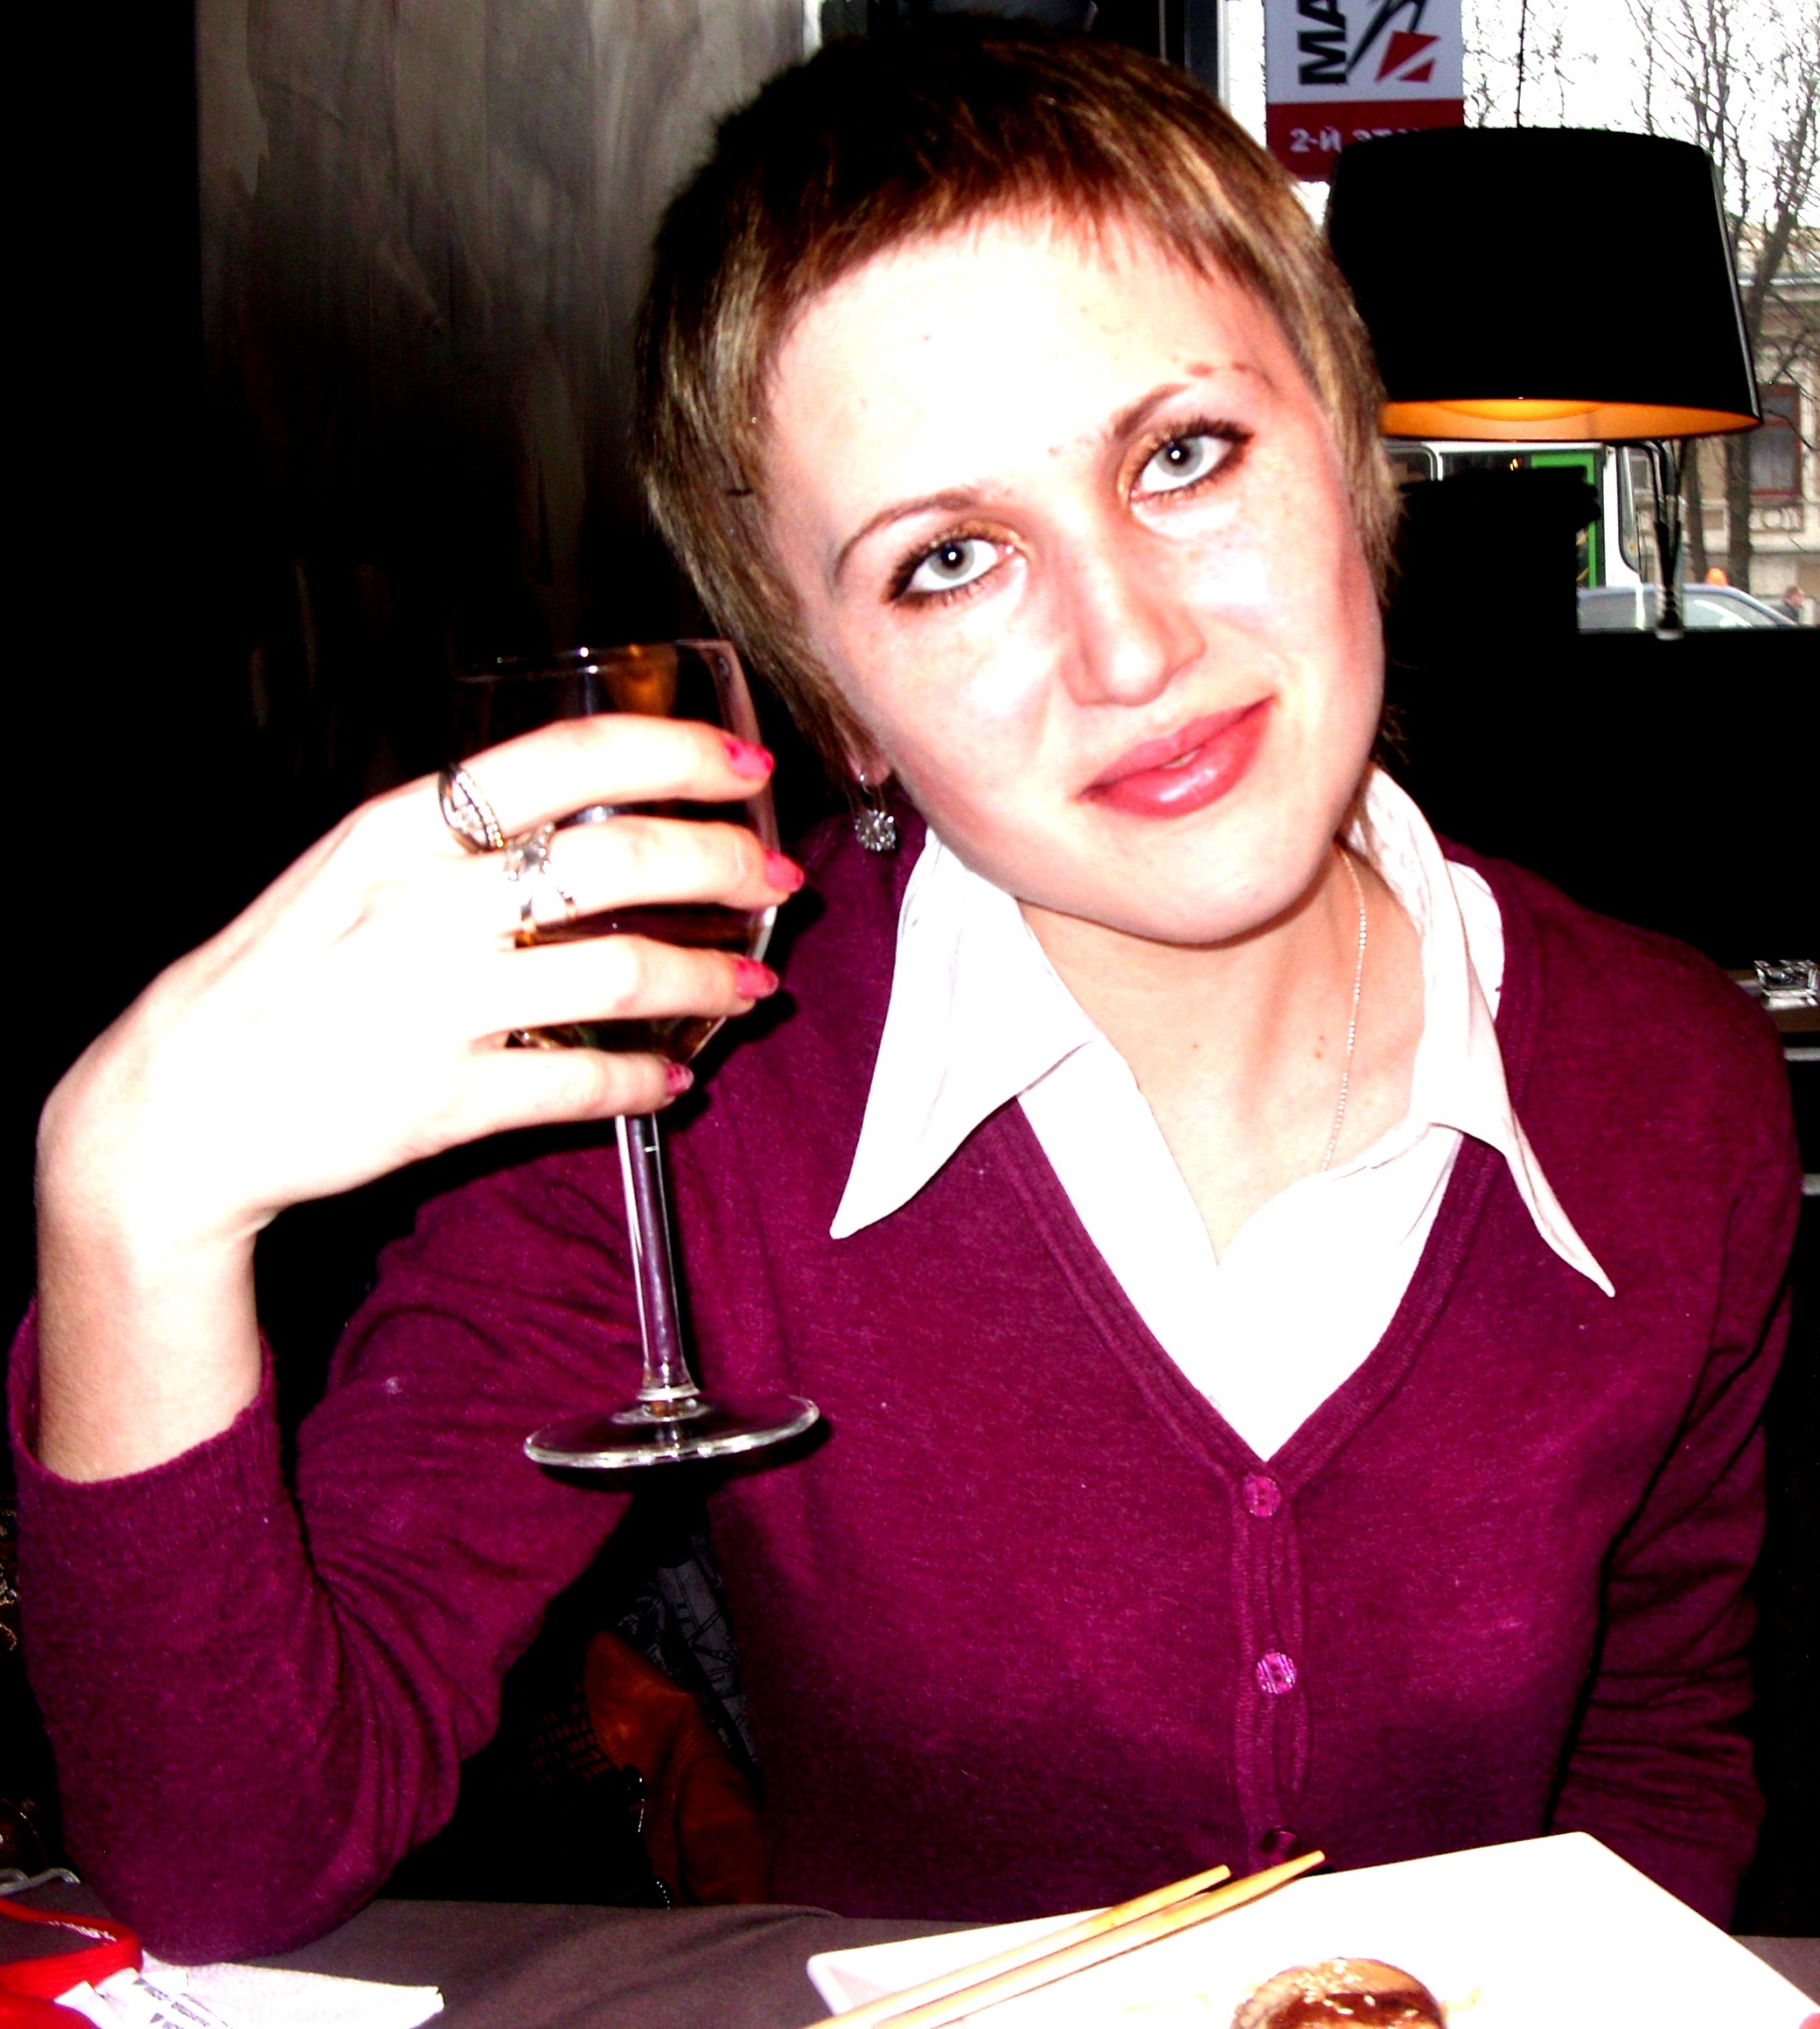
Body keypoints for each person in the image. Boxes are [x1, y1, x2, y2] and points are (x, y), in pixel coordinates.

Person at [12, 26, 1797, 1962]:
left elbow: (1655, 1747)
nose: (1128, 648)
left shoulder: (1671, 1082)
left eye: (1181, 454)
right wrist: (126, 1207)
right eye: (948, 562)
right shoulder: (673, 1105)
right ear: (837, 699)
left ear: (1351, 460)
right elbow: (228, 1859)